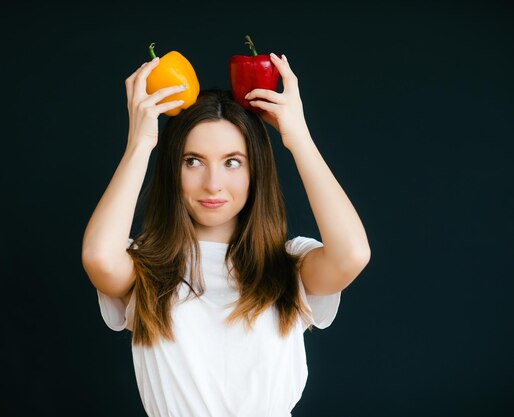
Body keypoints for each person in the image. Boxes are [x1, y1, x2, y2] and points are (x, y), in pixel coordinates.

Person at [81, 52, 370, 417]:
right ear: (174, 169)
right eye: (193, 161)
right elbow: (98, 258)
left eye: (232, 162)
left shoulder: (288, 265)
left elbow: (352, 254)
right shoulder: (146, 266)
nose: (213, 184)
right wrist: (140, 145)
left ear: (254, 172)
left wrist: (299, 138)